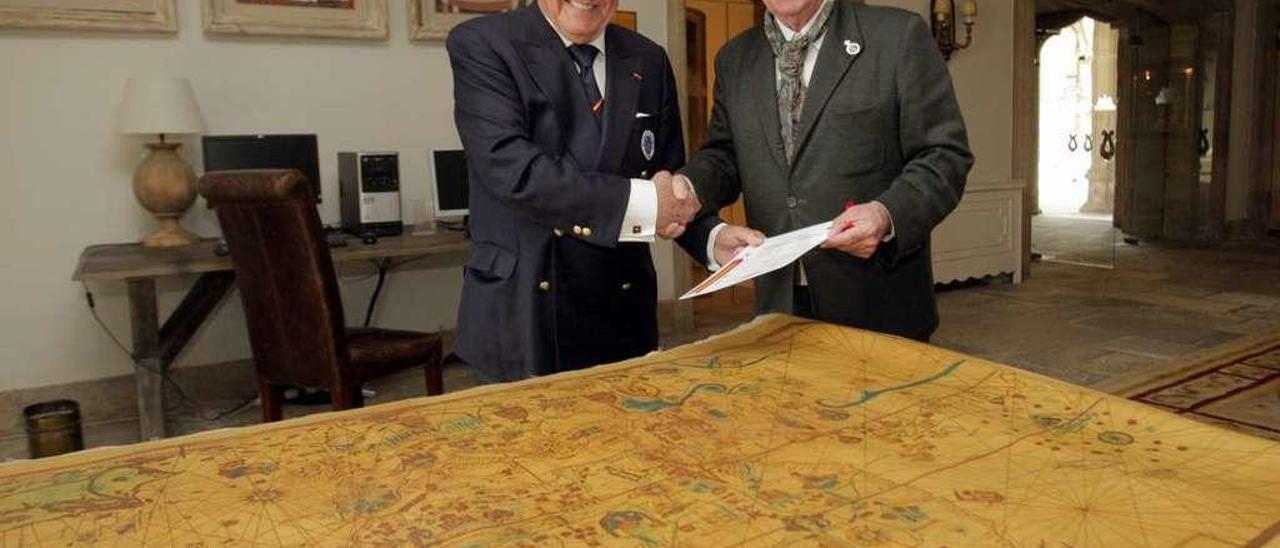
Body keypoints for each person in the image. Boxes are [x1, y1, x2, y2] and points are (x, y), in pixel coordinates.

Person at [678, 0, 973, 342]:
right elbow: (725, 155)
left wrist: (886, 213)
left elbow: (945, 155)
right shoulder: (734, 58)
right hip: (779, 305)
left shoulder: (898, 37)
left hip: (878, 307)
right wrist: (686, 187)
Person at [446, 0, 701, 383]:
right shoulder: (485, 43)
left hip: (620, 308)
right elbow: (513, 169)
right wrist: (648, 202)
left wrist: (715, 238)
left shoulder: (648, 58)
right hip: (525, 311)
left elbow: (668, 179)